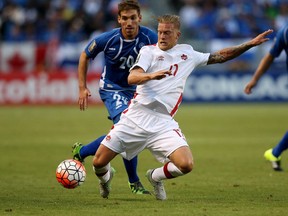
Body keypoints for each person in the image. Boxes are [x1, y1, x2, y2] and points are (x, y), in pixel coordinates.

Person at [92, 14, 273, 200]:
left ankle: (155, 176)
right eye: (160, 32)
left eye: (167, 33)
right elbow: (132, 77)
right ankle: (106, 179)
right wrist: (151, 76)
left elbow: (221, 56)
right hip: (135, 118)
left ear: (177, 35)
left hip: (162, 123)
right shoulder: (148, 52)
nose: (162, 36)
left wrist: (249, 44)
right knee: (98, 162)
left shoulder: (188, 54)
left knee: (186, 164)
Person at [73, 0, 157, 197]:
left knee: (128, 132)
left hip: (137, 91)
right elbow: (85, 55)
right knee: (128, 128)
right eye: (125, 18)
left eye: (133, 18)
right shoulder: (108, 39)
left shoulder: (149, 37)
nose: (129, 22)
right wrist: (82, 87)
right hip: (112, 89)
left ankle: (83, 151)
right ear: (119, 19)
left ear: (139, 18)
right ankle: (134, 181)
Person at [244, 24, 288, 172]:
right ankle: (275, 152)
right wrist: (255, 79)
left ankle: (275, 153)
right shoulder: (285, 32)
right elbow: (270, 56)